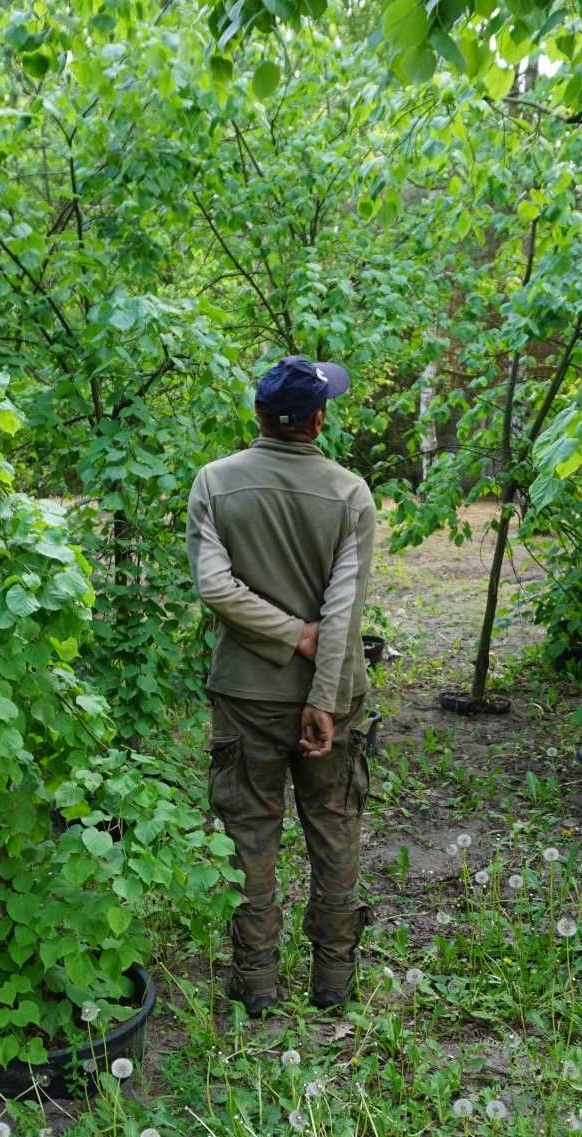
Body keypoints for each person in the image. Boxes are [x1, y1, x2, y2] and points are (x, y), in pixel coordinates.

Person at [185, 355, 377, 1015]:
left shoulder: (214, 483)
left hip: (246, 695)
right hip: (338, 698)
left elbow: (214, 587)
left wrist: (287, 634)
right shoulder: (351, 493)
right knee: (333, 826)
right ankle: (332, 984)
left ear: (260, 417)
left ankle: (258, 985)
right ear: (317, 420)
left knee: (250, 832)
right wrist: (322, 694)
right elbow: (343, 609)